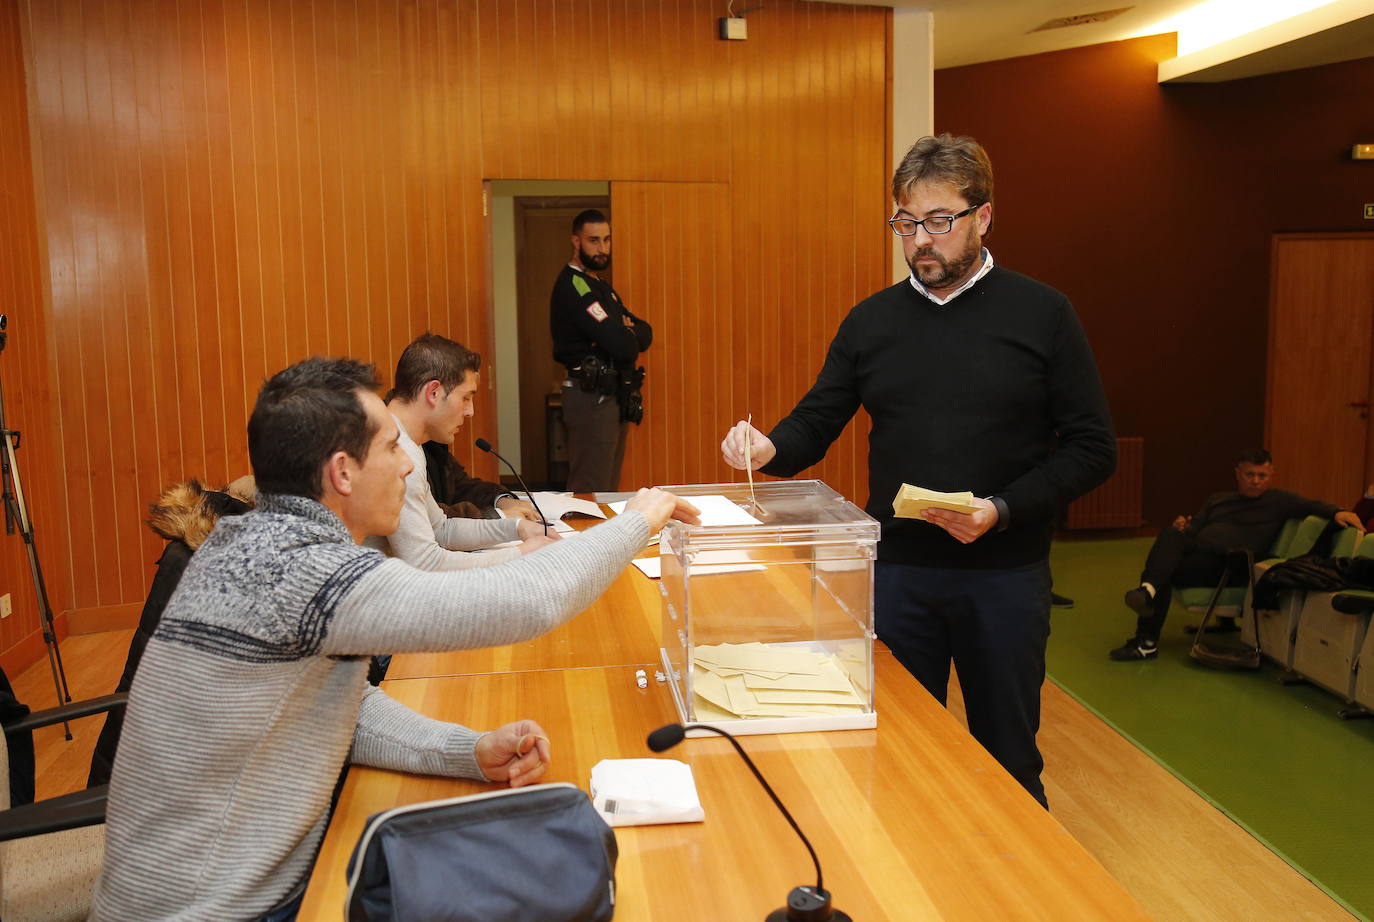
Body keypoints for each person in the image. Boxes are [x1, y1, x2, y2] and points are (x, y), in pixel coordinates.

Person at [90, 356, 698, 921]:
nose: (408, 463)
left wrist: (466, 750)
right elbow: (523, 601)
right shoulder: (304, 570)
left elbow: (335, 705)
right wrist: (636, 520)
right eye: (390, 448)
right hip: (220, 907)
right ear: (343, 473)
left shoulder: (247, 540)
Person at [720, 134, 1115, 808]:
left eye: (939, 221)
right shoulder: (871, 321)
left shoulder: (1043, 314)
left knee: (1007, 758)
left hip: (1006, 577)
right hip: (899, 573)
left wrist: (1002, 510)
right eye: (907, 223)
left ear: (983, 217)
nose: (920, 241)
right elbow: (816, 422)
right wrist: (768, 448)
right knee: (898, 749)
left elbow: (1091, 447)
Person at [1111, 449, 1365, 661]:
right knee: (1169, 537)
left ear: (1271, 475)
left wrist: (1339, 511)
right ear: (1238, 473)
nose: (1256, 480)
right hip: (1199, 558)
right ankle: (1148, 597)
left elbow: (1313, 506)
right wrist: (1182, 526)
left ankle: (1146, 625)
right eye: (1250, 474)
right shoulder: (1218, 500)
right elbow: (1192, 532)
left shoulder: (1278, 500)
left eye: (1262, 475)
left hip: (1230, 566)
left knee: (1163, 572)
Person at [367, 333, 553, 571]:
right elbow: (426, 563)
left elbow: (441, 529)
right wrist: (524, 553)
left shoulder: (406, 441)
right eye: (465, 398)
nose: (470, 412)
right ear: (433, 392)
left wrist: (515, 528)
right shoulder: (393, 450)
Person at [549, 209, 652, 492]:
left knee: (607, 486)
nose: (602, 248)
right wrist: (625, 332)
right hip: (589, 396)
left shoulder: (599, 285)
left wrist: (626, 331)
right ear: (576, 241)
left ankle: (603, 537)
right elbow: (622, 345)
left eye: (607, 240)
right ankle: (583, 537)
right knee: (589, 486)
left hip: (611, 395)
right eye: (594, 240)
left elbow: (645, 332)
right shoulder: (575, 286)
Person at [421, 438, 539, 521]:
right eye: (465, 400)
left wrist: (500, 500)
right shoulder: (407, 452)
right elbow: (431, 520)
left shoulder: (434, 447)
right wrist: (496, 516)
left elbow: (462, 486)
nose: (469, 412)